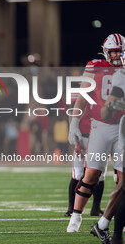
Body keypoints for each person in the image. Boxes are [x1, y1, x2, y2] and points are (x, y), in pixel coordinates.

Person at [67, 33, 125, 233]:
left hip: (123, 127)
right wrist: (74, 122)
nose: (117, 55)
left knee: (121, 177)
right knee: (91, 173)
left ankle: (116, 220)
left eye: (120, 51)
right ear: (106, 51)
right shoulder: (95, 65)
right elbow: (83, 95)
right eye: (113, 51)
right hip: (101, 125)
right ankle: (75, 217)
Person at [96, 66, 125, 244]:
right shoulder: (122, 78)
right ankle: (116, 236)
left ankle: (103, 226)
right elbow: (104, 112)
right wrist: (113, 106)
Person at [65, 92, 105, 217]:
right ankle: (71, 208)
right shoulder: (86, 90)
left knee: (100, 174)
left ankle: (95, 208)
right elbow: (73, 111)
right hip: (84, 135)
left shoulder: (106, 89)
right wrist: (75, 138)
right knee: (77, 174)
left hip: (99, 135)